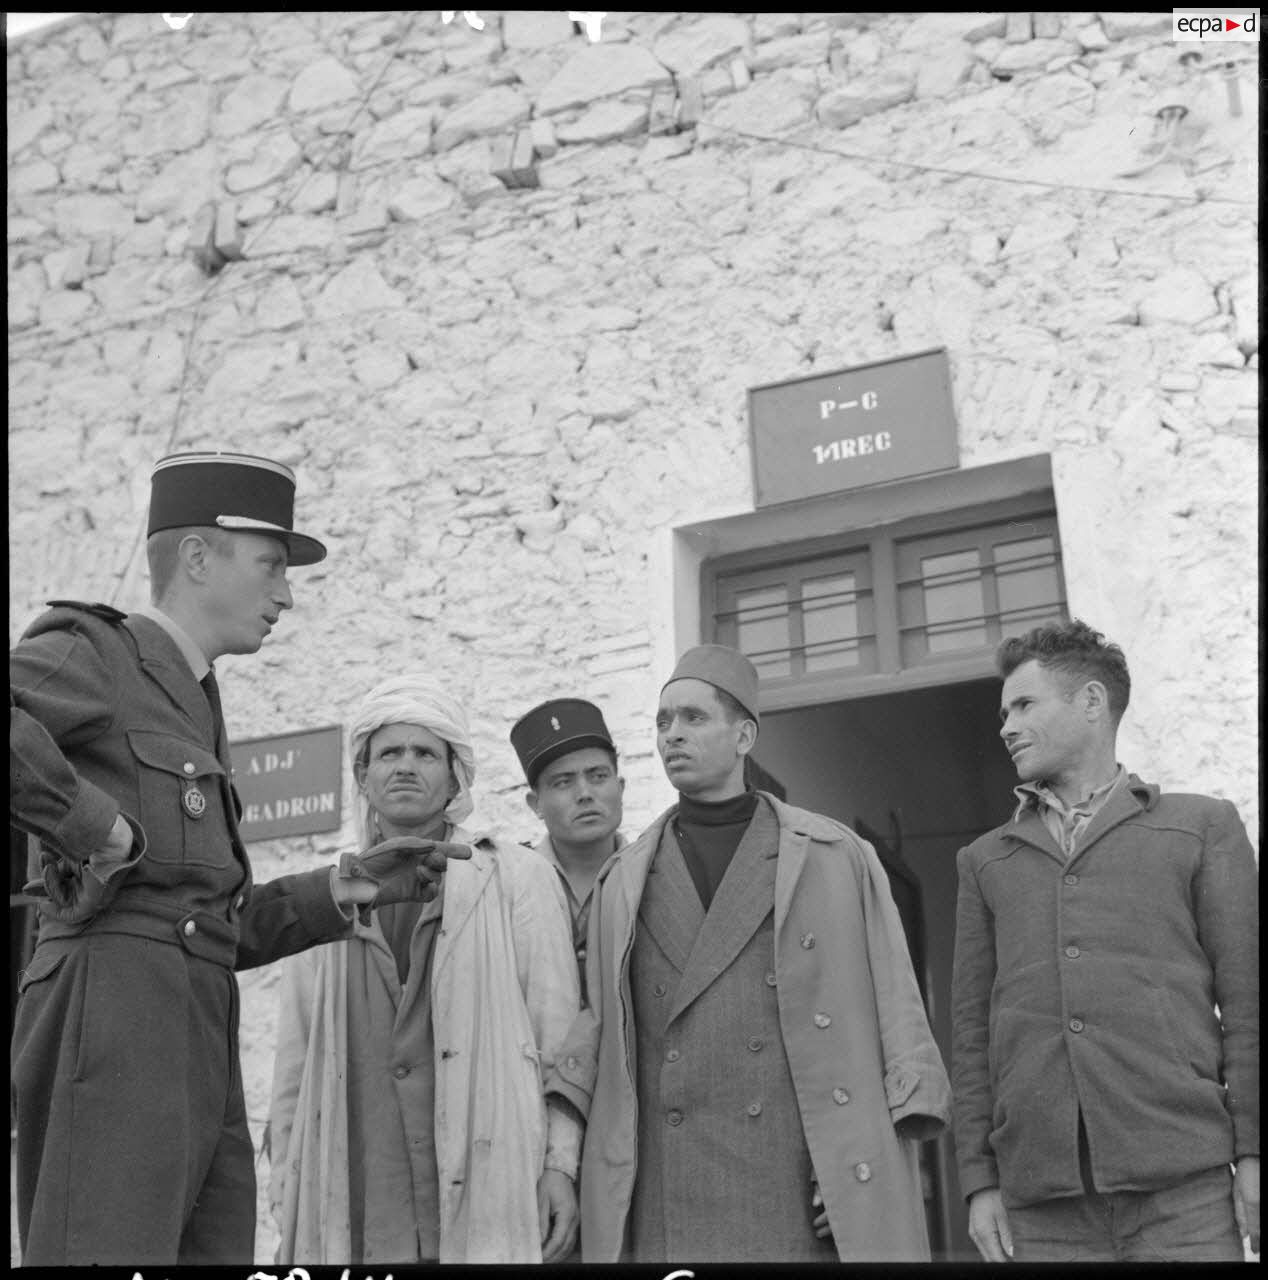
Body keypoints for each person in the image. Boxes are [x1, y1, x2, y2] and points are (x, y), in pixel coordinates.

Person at [9, 452, 455, 1267]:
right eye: (272, 566)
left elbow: (205, 922)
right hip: (110, 1015)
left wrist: (337, 889)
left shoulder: (195, 695)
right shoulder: (100, 651)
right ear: (198, 557)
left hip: (196, 1032)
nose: (285, 594)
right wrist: (93, 828)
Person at [548, 643, 950, 1262]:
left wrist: (858, 1155)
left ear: (744, 736)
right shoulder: (623, 880)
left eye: (693, 718)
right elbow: (602, 1030)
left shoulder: (834, 856)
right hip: (667, 1188)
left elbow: (898, 1009)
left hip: (794, 1181)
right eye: (662, 722)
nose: (671, 736)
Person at [951, 618, 1260, 1263]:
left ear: (1091, 702)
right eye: (1004, 710)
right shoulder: (985, 861)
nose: (1005, 726)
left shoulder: (1200, 827)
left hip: (1185, 1194)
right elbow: (972, 1031)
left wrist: (1255, 1152)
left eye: (1024, 704)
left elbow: (1250, 1003)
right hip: (1040, 1205)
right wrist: (979, 1179)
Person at [267, 675, 583, 1265]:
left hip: (488, 1176)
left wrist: (559, 1165)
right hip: (363, 1189)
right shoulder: (326, 894)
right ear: (363, 776)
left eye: (425, 753)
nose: (406, 767)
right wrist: (288, 1183)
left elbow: (556, 1037)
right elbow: (296, 1055)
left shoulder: (516, 878)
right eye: (389, 753)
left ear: (454, 775)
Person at [511, 696, 626, 1002]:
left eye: (599, 777)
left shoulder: (655, 873)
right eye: (563, 782)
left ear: (621, 788)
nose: (585, 794)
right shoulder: (509, 886)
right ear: (536, 804)